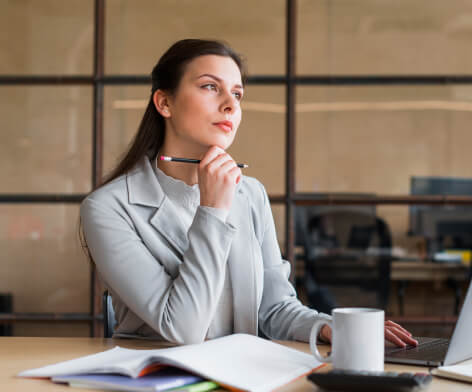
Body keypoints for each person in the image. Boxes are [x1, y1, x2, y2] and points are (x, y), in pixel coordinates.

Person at [80, 39, 417, 346]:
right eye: (211, 87)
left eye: (237, 94)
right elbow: (182, 329)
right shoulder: (108, 208)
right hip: (157, 383)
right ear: (164, 102)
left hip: (241, 382)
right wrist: (212, 210)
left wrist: (328, 326)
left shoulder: (250, 194)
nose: (231, 105)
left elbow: (274, 308)